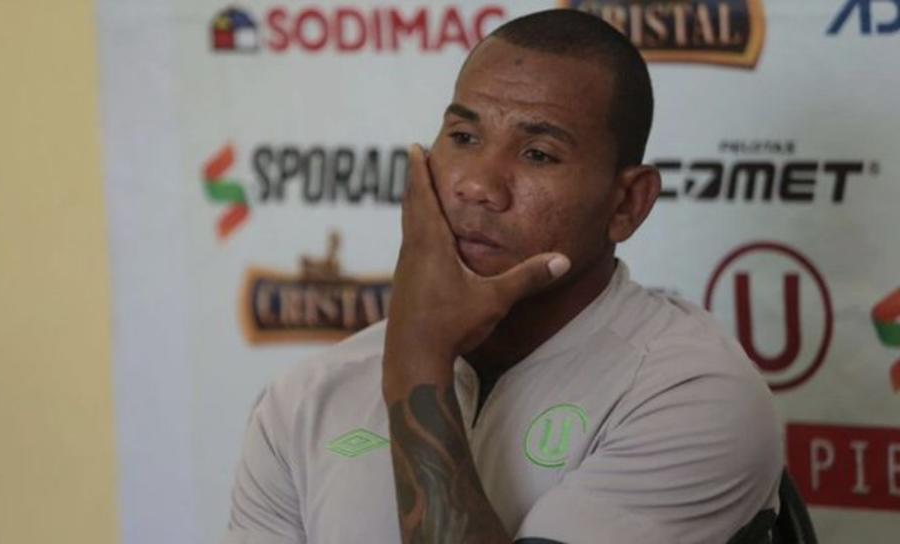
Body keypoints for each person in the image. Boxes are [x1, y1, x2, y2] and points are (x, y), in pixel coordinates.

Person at [222, 9, 782, 544]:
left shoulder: (692, 393)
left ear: (626, 204)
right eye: (464, 138)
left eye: (538, 154)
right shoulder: (308, 398)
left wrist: (417, 358)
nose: (478, 186)